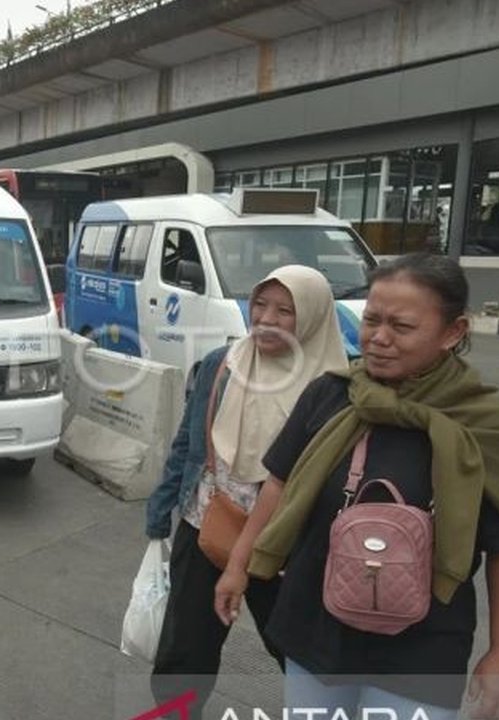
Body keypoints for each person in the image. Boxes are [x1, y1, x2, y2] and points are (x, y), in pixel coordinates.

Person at [216, 254, 499, 719]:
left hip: (422, 646)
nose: (378, 338)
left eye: (401, 326)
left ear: (453, 332)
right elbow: (278, 486)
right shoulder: (332, 394)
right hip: (316, 628)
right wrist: (238, 566)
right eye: (372, 319)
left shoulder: (484, 424)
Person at [145, 265, 348, 717]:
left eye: (285, 311)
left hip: (287, 547)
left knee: (297, 648)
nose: (267, 319)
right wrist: (161, 507)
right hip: (208, 525)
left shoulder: (336, 389)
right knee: (185, 644)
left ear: (312, 318)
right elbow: (188, 439)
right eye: (260, 305)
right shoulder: (224, 363)